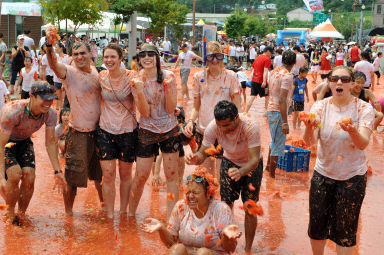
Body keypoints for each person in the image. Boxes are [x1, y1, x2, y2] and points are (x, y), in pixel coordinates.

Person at [303, 66, 374, 255]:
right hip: (323, 174)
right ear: (330, 83)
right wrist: (309, 127)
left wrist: (352, 131)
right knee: (317, 227)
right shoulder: (320, 107)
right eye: (334, 79)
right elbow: (309, 142)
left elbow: (363, 144)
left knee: (345, 231)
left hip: (353, 177)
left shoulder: (363, 108)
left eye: (344, 79)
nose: (339, 82)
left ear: (351, 83)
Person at [186, 100, 262, 254]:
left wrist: (241, 172)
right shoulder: (213, 127)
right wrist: (197, 158)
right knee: (226, 205)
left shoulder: (250, 126)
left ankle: (248, 249)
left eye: (227, 125)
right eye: (220, 125)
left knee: (250, 208)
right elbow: (203, 152)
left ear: (236, 118)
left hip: (251, 165)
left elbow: (254, 160)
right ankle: (227, 246)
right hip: (229, 161)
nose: (223, 129)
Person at [45, 28, 103, 216]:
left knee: (101, 175)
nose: (79, 57)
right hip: (78, 133)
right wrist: (49, 46)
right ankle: (68, 214)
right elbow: (54, 65)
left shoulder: (95, 72)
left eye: (82, 53)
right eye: (76, 54)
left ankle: (105, 207)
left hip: (100, 133)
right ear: (72, 57)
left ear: (90, 54)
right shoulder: (69, 72)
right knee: (72, 177)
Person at [0, 82, 66, 225]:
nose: (48, 103)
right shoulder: (12, 111)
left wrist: (57, 170)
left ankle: (21, 213)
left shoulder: (50, 114)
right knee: (14, 174)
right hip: (5, 142)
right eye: (44, 98)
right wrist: (0, 178)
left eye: (51, 99)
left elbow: (50, 143)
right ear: (31, 96)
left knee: (29, 177)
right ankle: (10, 212)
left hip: (24, 141)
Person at [128, 44, 179, 220]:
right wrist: (140, 91)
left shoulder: (169, 76)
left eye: (151, 54)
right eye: (143, 55)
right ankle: (130, 214)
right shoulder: (136, 80)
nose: (147, 57)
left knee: (172, 174)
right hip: (147, 129)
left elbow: (171, 108)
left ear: (157, 57)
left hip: (170, 128)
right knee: (141, 175)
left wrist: (168, 88)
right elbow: (145, 113)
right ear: (139, 58)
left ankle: (172, 218)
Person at [141, 167, 241, 255]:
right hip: (187, 252)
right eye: (188, 192)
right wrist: (161, 229)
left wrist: (226, 237)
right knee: (177, 249)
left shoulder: (221, 210)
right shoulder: (181, 207)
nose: (190, 196)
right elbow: (170, 244)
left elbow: (230, 250)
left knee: (203, 253)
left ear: (208, 194)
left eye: (195, 193)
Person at [95, 44, 140, 219]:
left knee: (125, 174)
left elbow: (143, 96)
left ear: (121, 58)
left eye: (113, 57)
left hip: (127, 131)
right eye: (106, 57)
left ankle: (123, 211)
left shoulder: (131, 76)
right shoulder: (101, 76)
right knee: (108, 175)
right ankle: (109, 214)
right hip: (105, 130)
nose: (109, 60)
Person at [184, 41, 241, 175]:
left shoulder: (231, 76)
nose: (214, 60)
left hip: (225, 132)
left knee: (223, 177)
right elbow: (196, 108)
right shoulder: (199, 78)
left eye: (218, 56)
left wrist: (238, 130)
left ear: (223, 57)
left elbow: (237, 108)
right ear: (205, 59)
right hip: (204, 132)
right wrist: (191, 121)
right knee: (206, 176)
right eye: (210, 57)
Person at [266, 50, 296, 178]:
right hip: (278, 111)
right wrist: (285, 122)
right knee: (278, 144)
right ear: (294, 63)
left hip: (270, 109)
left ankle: (268, 168)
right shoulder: (287, 75)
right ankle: (272, 176)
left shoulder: (274, 71)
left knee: (274, 140)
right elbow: (282, 99)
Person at [245, 46, 273, 113]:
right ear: (268, 51)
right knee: (267, 96)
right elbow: (265, 70)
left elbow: (252, 69)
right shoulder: (267, 59)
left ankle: (245, 112)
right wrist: (264, 81)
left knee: (252, 97)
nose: (271, 54)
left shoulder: (257, 57)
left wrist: (250, 79)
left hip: (254, 80)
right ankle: (267, 112)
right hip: (261, 81)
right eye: (271, 53)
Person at [53, 42, 69, 111]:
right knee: (57, 95)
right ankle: (57, 107)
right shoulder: (55, 57)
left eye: (56, 47)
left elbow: (67, 69)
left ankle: (62, 108)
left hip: (64, 79)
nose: (55, 49)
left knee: (63, 95)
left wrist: (64, 81)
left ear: (61, 48)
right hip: (56, 79)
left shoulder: (67, 57)